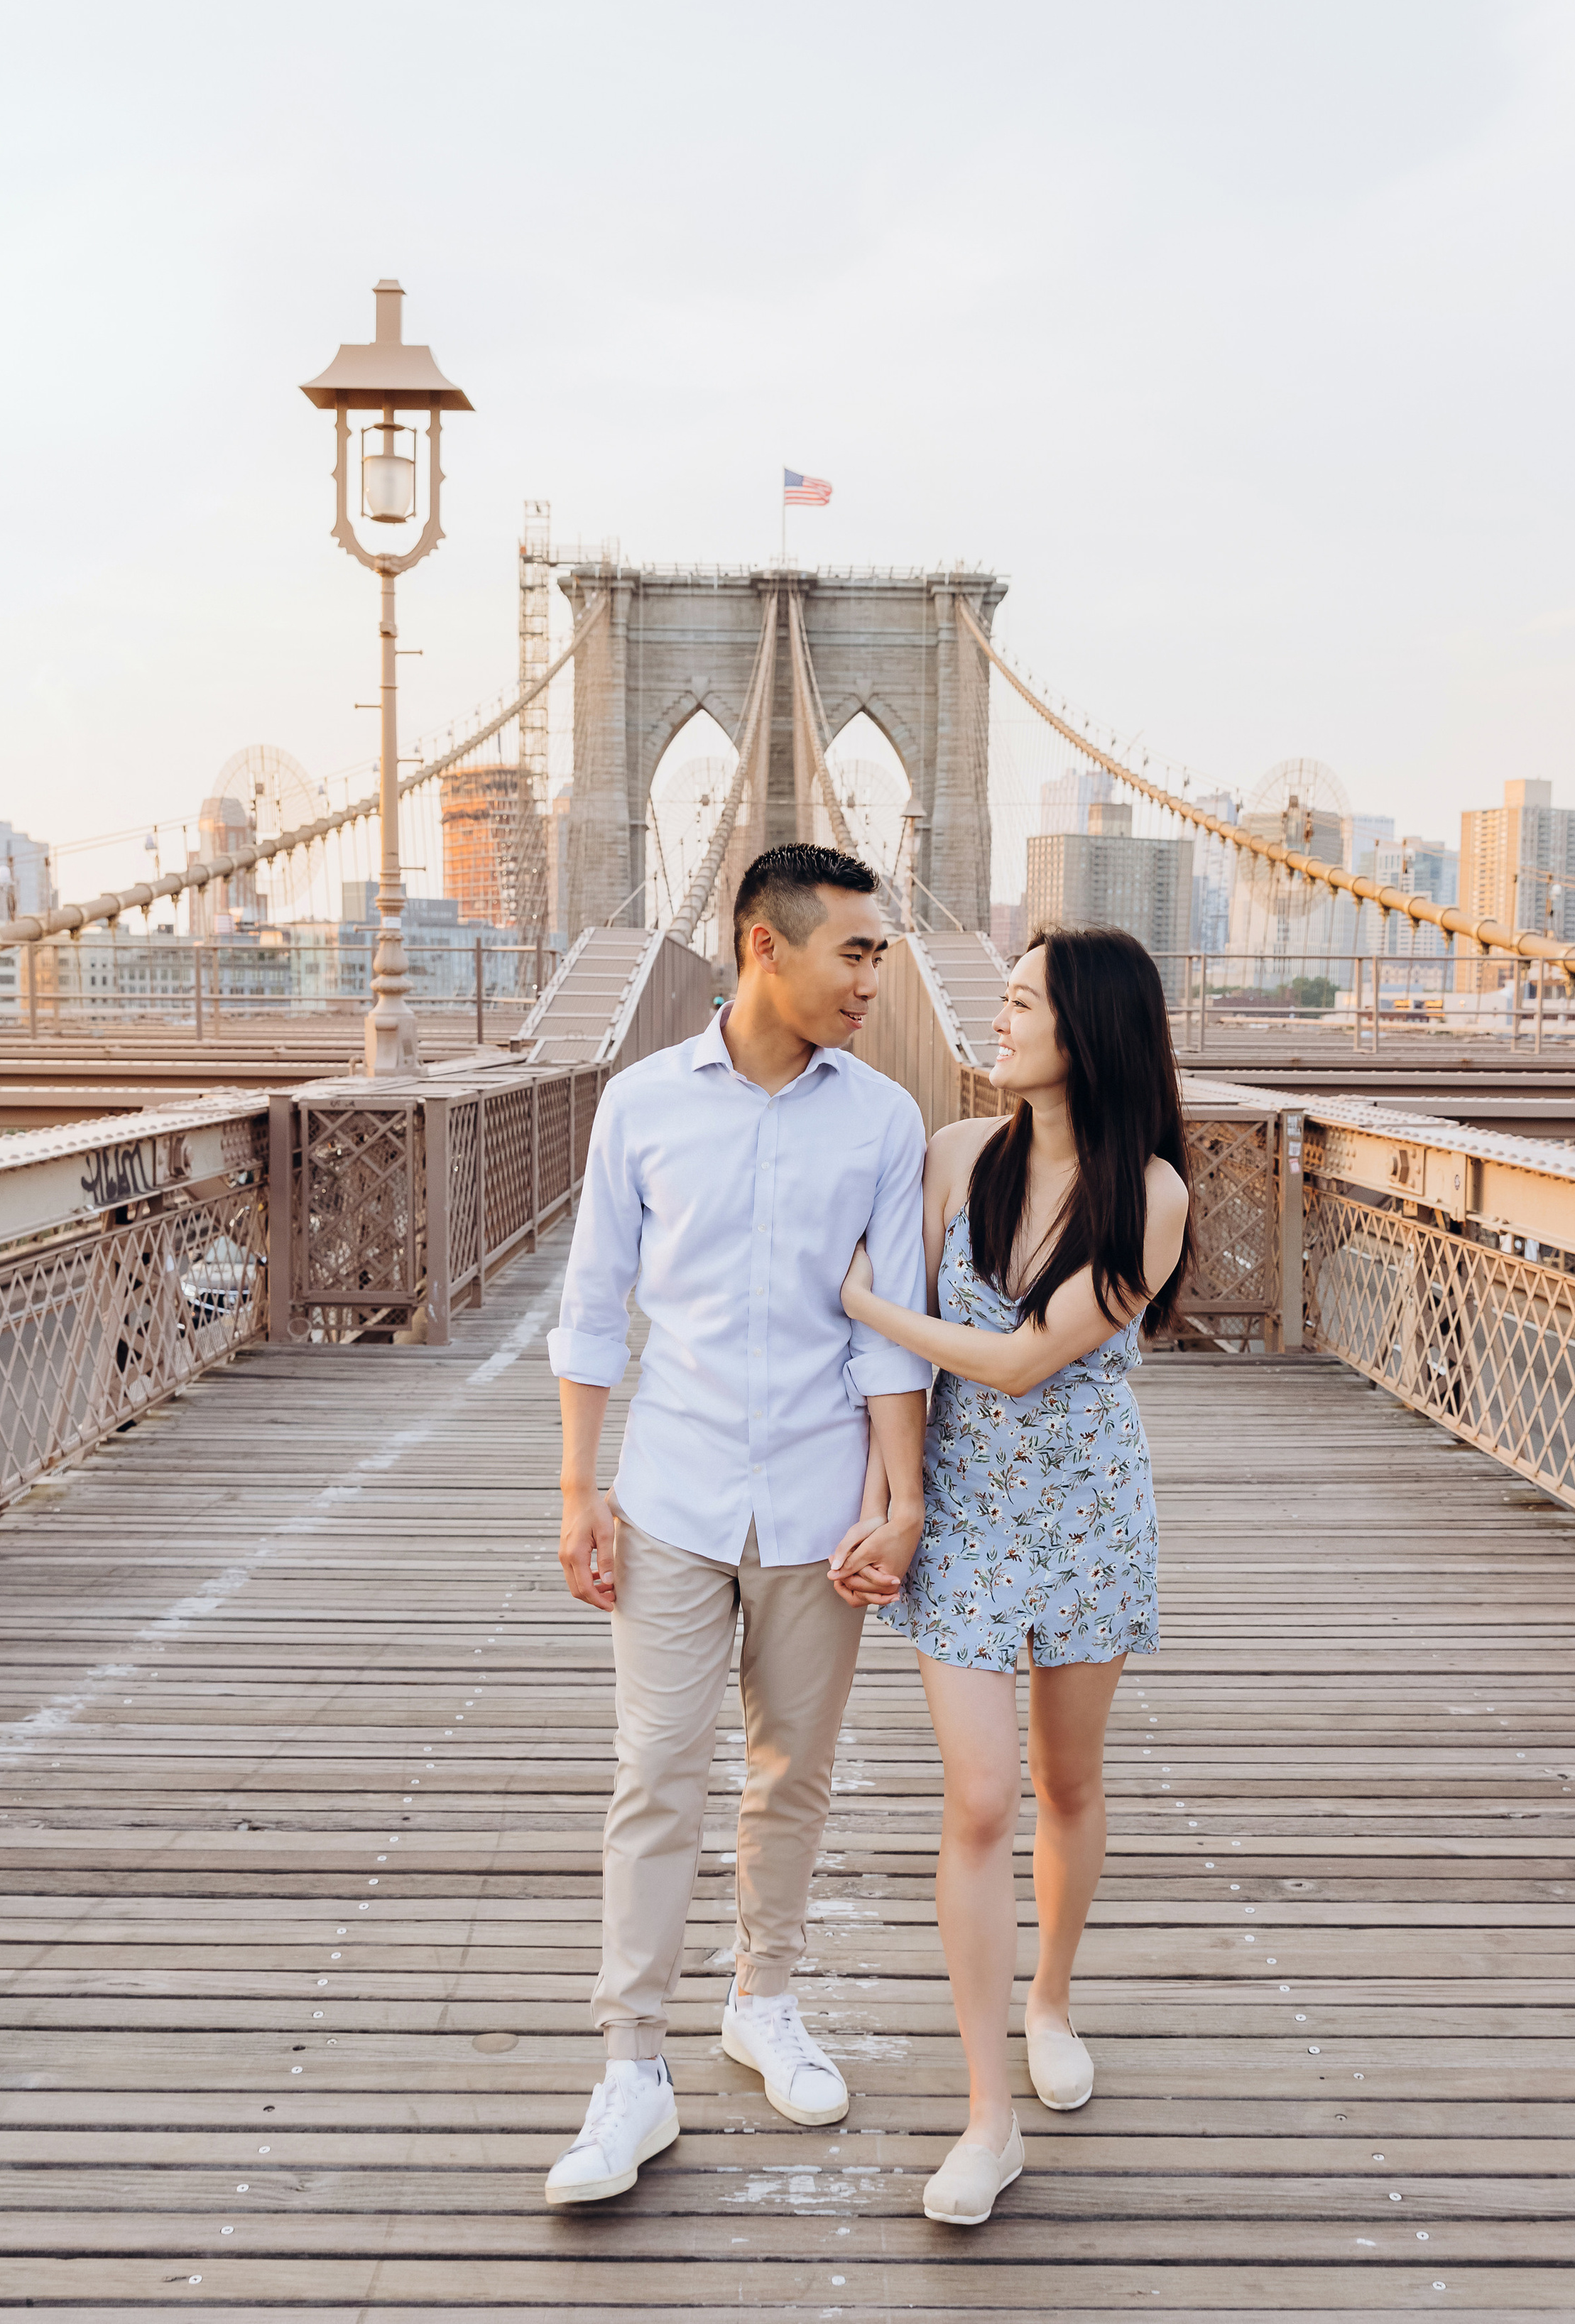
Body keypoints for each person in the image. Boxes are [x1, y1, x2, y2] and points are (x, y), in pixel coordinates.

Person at [543, 841, 930, 2209]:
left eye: (885, 954)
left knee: (793, 1776)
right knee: (654, 1773)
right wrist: (582, 1489)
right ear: (766, 944)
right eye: (857, 953)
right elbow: (594, 1307)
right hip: (673, 1490)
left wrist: (903, 1499)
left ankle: (763, 1998)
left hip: (823, 1502)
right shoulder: (640, 1105)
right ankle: (630, 2063)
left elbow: (890, 1341)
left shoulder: (885, 1119)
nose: (876, 977)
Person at [841, 926, 1192, 2225]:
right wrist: (888, 1505)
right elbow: (901, 1387)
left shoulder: (1149, 1193)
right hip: (971, 1521)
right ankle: (988, 2117)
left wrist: (871, 1303)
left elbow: (1016, 1360)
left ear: (1086, 1030)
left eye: (1023, 1000)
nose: (999, 1017)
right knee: (982, 1797)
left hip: (1090, 1516)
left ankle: (1051, 1997)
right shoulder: (951, 1159)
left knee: (1067, 1781)